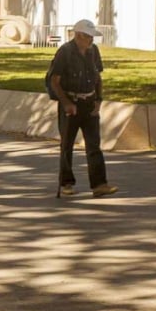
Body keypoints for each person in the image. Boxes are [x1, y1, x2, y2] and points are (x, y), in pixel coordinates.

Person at [49, 18, 116, 198]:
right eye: (88, 37)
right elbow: (54, 81)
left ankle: (99, 184)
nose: (91, 41)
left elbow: (98, 77)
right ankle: (66, 183)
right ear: (78, 36)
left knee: (94, 145)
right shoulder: (65, 52)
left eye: (92, 38)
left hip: (89, 103)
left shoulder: (93, 51)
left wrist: (98, 100)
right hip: (71, 103)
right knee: (67, 145)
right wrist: (67, 103)